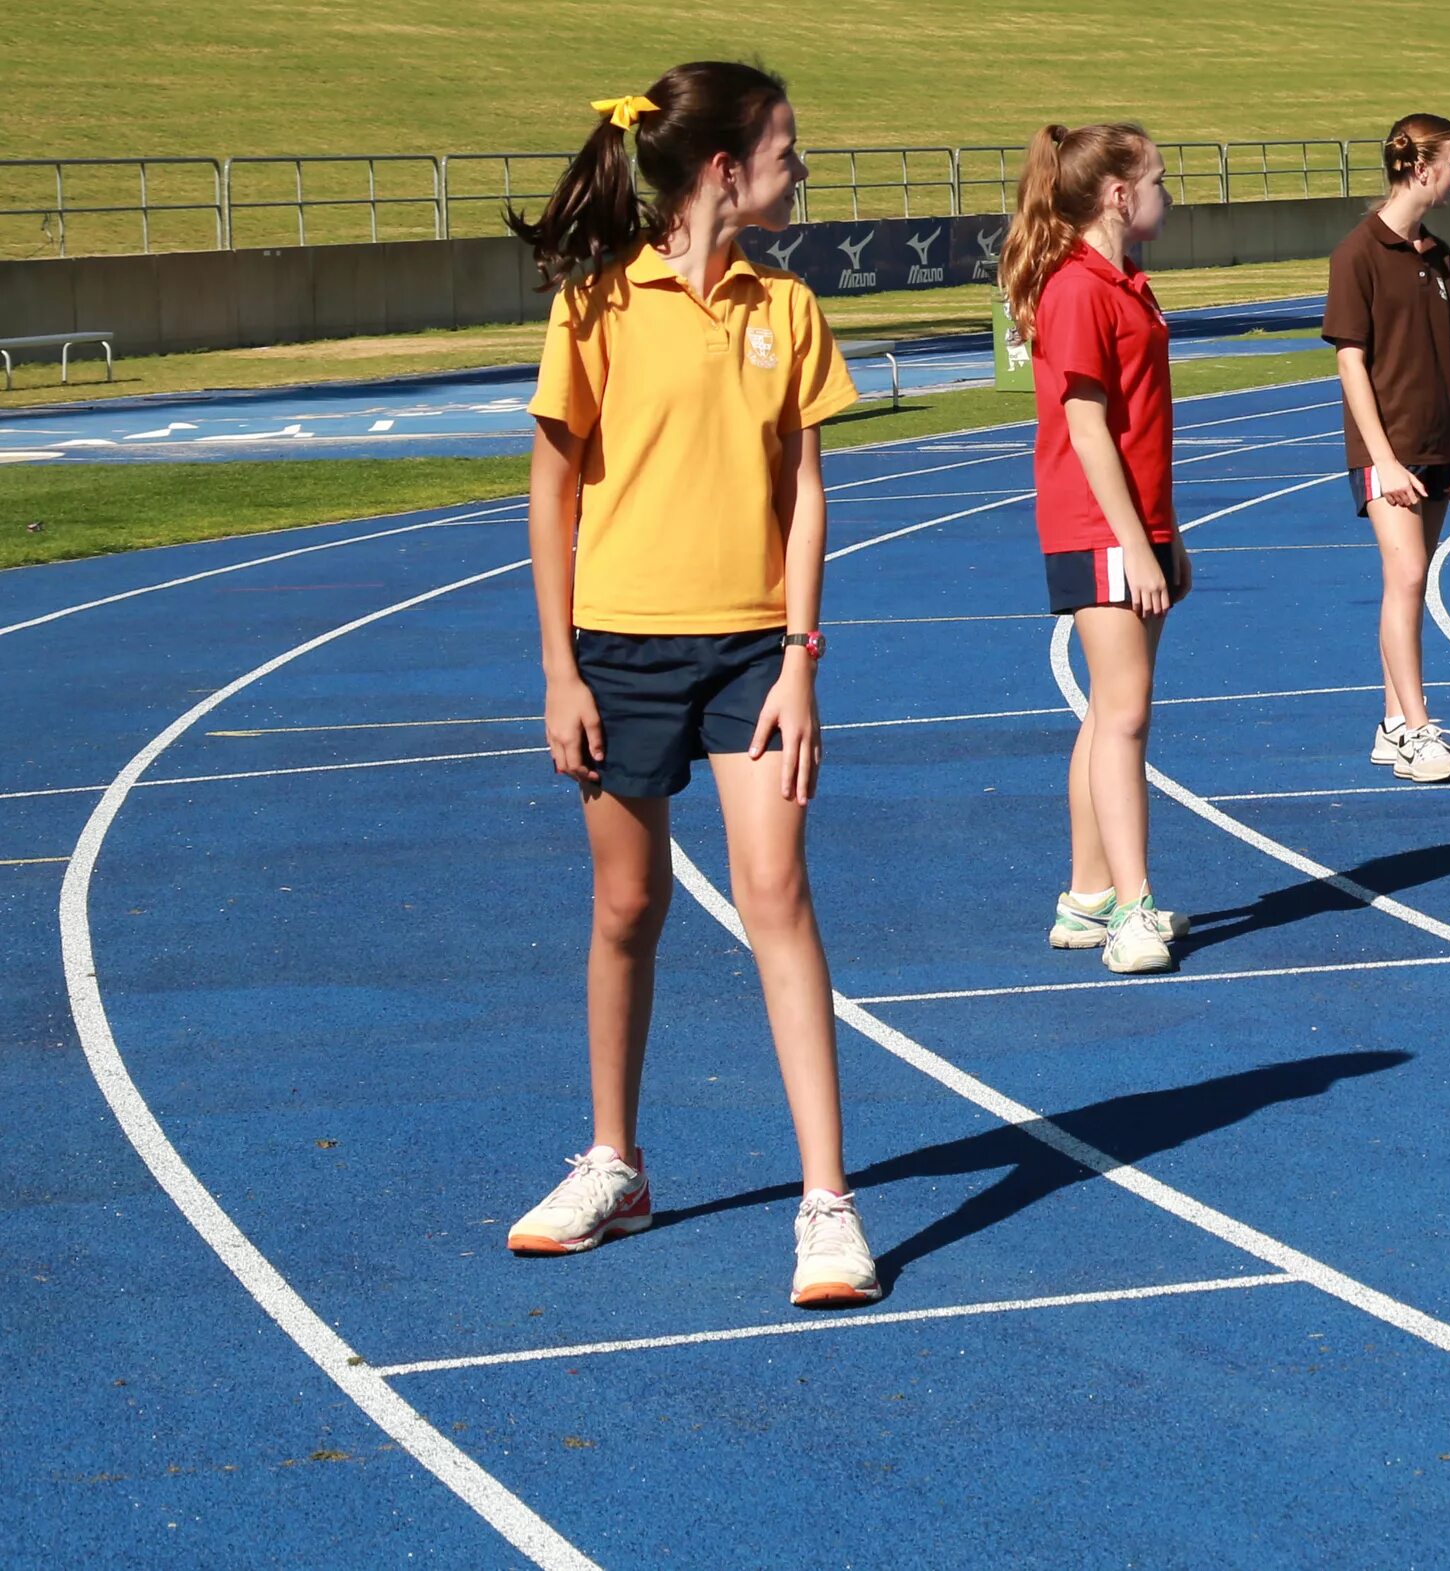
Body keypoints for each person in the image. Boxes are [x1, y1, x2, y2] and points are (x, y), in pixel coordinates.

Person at [505, 63, 880, 1307]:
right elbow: (553, 489)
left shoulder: (789, 305)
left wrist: (800, 659)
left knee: (779, 892)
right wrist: (560, 670)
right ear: (726, 166)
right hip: (617, 650)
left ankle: (826, 1202)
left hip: (751, 653)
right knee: (627, 907)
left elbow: (807, 492)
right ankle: (615, 1162)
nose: (802, 163)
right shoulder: (597, 304)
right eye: (788, 143)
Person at [1003, 122, 1190, 975]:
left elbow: (1144, 426)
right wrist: (1134, 544)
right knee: (1124, 718)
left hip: (1133, 524)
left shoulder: (1126, 282)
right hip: (1096, 527)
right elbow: (1085, 428)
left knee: (1108, 714)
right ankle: (1132, 906)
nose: (1166, 193)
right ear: (1119, 195)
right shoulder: (1078, 288)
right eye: (1157, 178)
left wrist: (1167, 532)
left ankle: (1086, 896)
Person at [1328, 115, 1450, 785]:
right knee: (1409, 575)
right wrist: (1382, 458)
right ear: (1423, 170)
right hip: (1384, 449)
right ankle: (1416, 728)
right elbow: (1351, 362)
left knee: (1411, 585)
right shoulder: (1356, 253)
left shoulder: (1438, 253)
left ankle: (1393, 724)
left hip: (1437, 441)